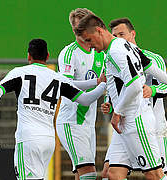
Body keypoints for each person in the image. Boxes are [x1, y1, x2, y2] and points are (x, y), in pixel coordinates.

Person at [75, 14, 167, 180]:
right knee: (112, 173)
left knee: (154, 175)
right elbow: (150, 67)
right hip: (125, 123)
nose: (89, 47)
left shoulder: (116, 51)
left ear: (98, 31)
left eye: (89, 40)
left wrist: (117, 112)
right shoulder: (123, 45)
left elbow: (135, 85)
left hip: (135, 119)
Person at [0, 38, 107, 180]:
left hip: (29, 138)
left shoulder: (20, 72)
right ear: (47, 56)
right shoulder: (57, 77)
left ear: (29, 56)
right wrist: (102, 84)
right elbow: (85, 99)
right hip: (48, 140)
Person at [101, 18, 167, 180]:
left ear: (132, 34)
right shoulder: (113, 56)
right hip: (126, 122)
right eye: (115, 35)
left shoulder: (153, 58)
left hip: (154, 125)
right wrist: (109, 103)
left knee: (162, 175)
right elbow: (116, 88)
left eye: (122, 34)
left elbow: (166, 86)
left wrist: (152, 89)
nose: (118, 38)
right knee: (109, 173)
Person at [56, 8, 105, 180]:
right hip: (71, 122)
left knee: (82, 173)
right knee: (89, 174)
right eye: (78, 28)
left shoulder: (99, 52)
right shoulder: (69, 53)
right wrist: (96, 82)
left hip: (89, 123)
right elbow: (66, 85)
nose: (82, 32)